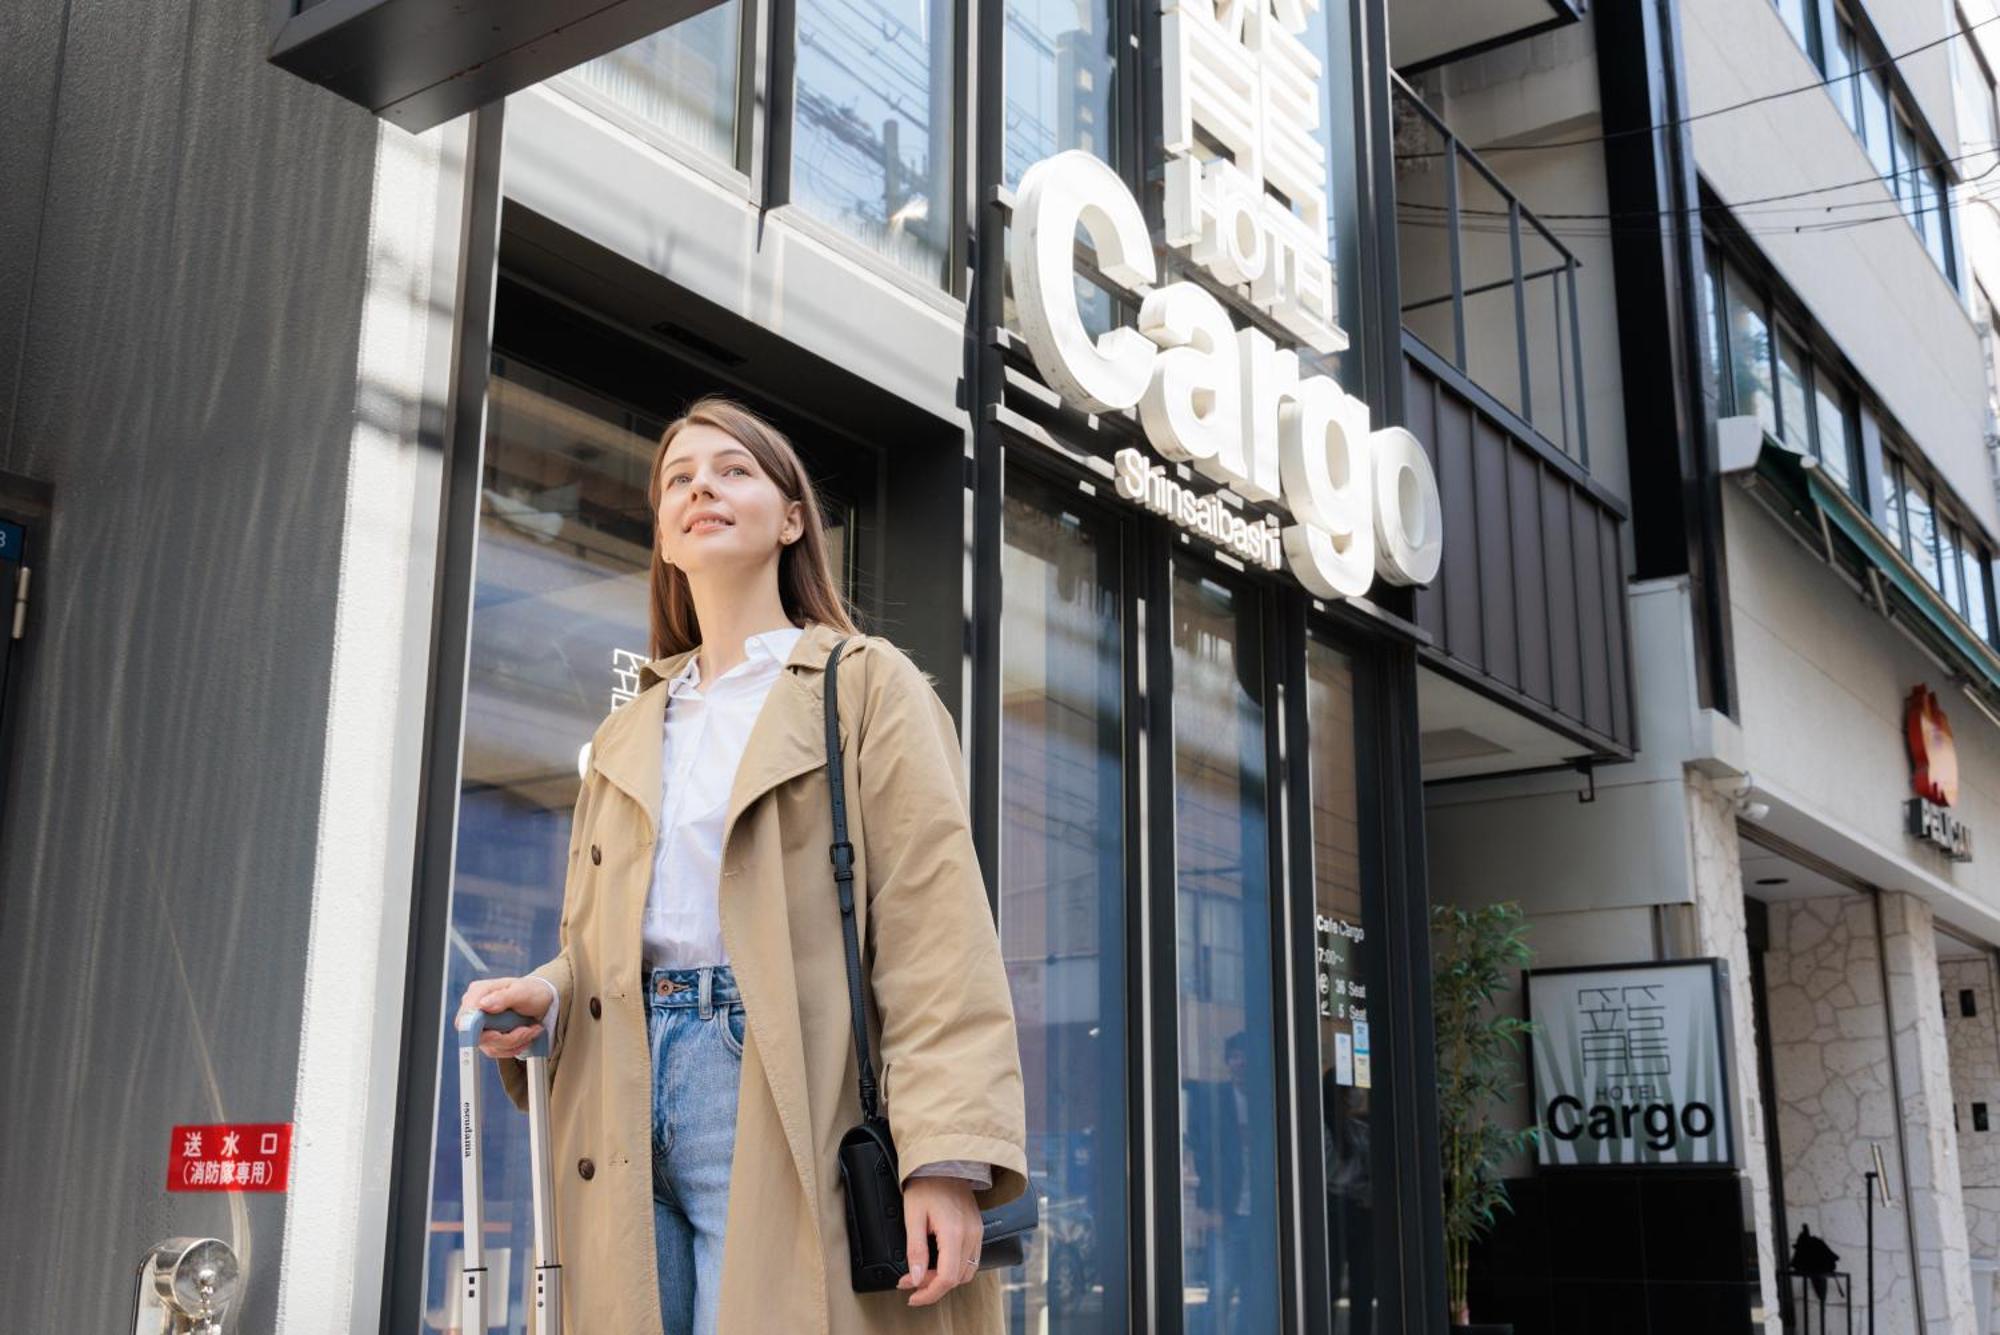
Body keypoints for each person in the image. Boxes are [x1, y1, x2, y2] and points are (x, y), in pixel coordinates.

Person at [457, 397, 1029, 1335]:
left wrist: (946, 1160)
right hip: (623, 1085)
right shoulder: (626, 730)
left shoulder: (862, 682)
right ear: (665, 537)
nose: (700, 489)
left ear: (792, 515)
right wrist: (551, 997)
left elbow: (936, 929)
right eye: (678, 479)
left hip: (779, 1082)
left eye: (732, 470)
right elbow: (607, 941)